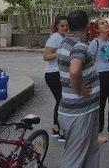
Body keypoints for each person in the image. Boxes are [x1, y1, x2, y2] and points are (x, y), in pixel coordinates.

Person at [57, 10, 100, 168]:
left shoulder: (65, 42)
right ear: (88, 25)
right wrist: (78, 89)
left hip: (78, 110)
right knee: (74, 160)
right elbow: (74, 70)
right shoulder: (79, 45)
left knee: (89, 152)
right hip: (80, 112)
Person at [43, 14, 68, 143]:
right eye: (62, 26)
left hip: (60, 73)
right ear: (57, 26)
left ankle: (55, 128)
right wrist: (59, 53)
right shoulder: (54, 38)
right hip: (53, 73)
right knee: (62, 101)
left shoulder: (65, 37)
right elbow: (46, 56)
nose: (65, 28)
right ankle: (60, 130)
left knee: (61, 101)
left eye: (66, 25)